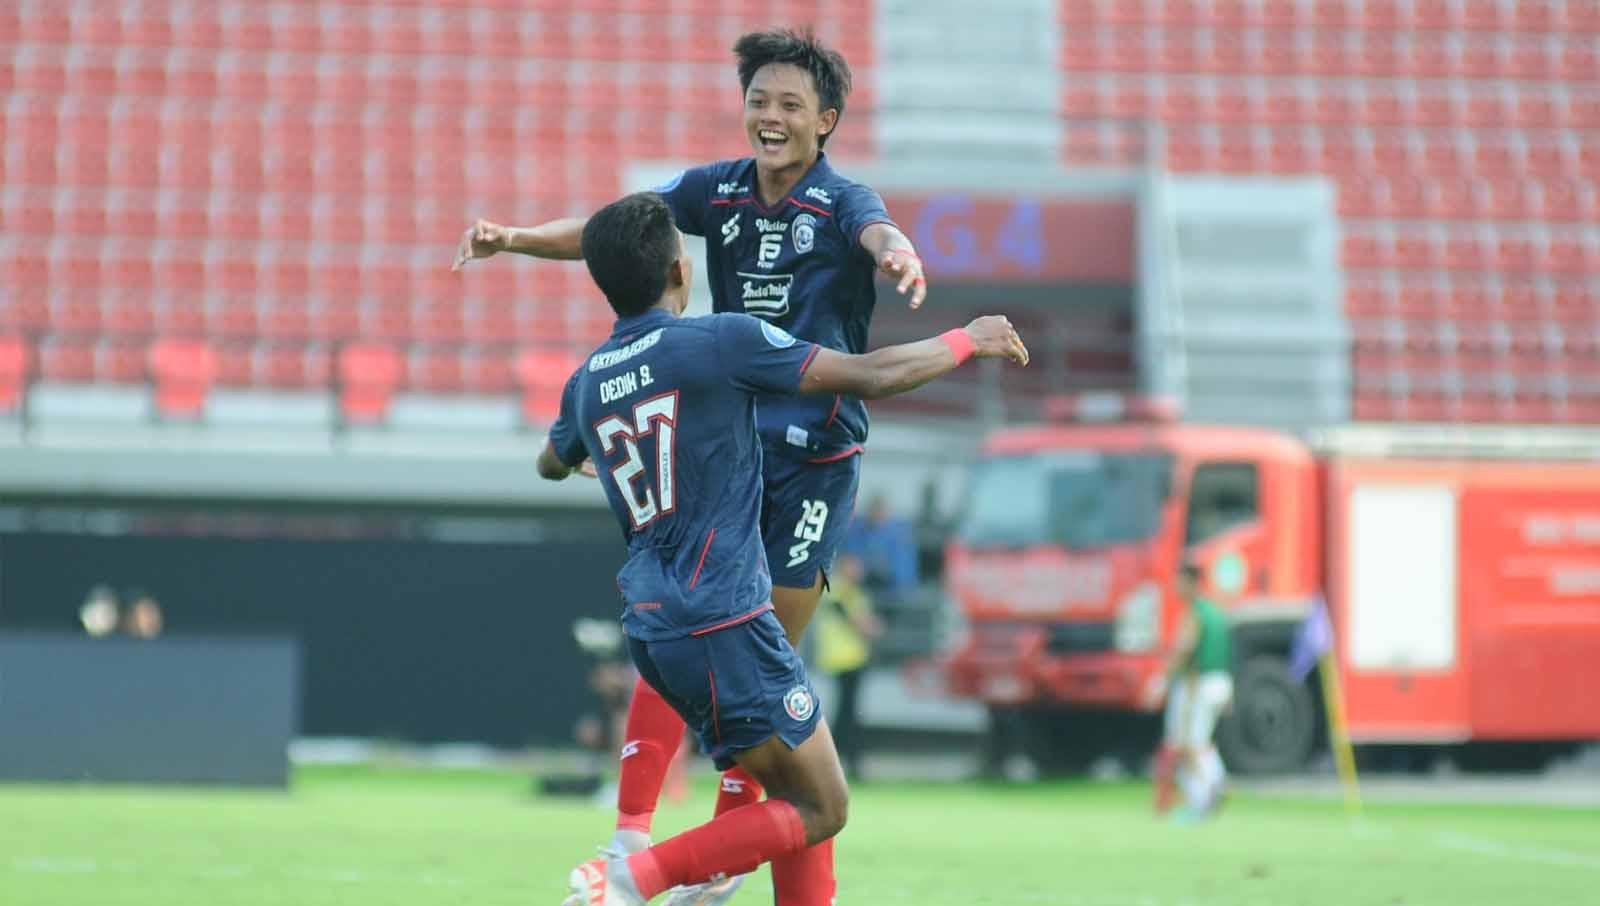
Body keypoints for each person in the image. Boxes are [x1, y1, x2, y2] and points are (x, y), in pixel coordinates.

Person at [455, 28, 929, 906]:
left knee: (764, 654)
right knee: (717, 637)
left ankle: (712, 841)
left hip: (818, 456)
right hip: (736, 442)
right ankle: (640, 840)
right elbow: (611, 233)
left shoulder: (843, 200)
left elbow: (877, 229)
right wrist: (516, 238)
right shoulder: (715, 191)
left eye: (791, 105)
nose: (771, 117)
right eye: (760, 101)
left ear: (826, 120)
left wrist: (894, 250)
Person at [537, 192, 1026, 906]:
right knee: (824, 804)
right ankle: (631, 878)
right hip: (723, 617)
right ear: (681, 269)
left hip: (653, 626)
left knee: (795, 792)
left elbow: (551, 462)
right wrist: (968, 339)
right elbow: (871, 376)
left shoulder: (587, 384)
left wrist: (592, 458)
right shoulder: (716, 342)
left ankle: (643, 860)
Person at [1154, 558, 1234, 821]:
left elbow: (1184, 649)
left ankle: (1206, 795)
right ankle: (1215, 782)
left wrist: (1161, 681)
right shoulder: (1216, 611)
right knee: (1202, 742)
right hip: (1221, 682)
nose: (1175, 586)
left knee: (1189, 745)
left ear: (1191, 583)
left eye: (1179, 581)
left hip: (1197, 684)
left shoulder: (1194, 613)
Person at [812, 554, 881, 780]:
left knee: (847, 711)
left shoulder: (851, 593)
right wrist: (871, 628)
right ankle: (843, 760)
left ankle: (842, 761)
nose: (858, 572)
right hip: (843, 659)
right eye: (854, 567)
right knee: (847, 713)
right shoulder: (840, 592)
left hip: (853, 659)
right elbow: (862, 624)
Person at [844, 495, 919, 598]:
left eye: (881, 512)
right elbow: (849, 561)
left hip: (894, 594)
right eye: (874, 511)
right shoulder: (857, 531)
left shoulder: (899, 536)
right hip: (860, 590)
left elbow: (904, 575)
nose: (877, 516)